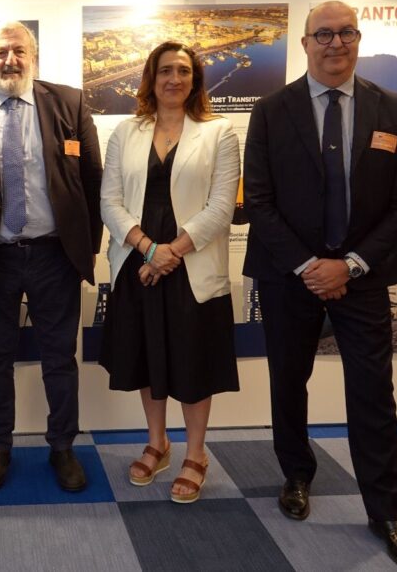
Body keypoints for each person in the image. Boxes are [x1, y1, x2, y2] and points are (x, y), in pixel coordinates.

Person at [243, 1, 397, 571]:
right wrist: (309, 266)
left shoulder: (394, 108)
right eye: (323, 34)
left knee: (373, 392)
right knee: (287, 382)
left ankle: (387, 512)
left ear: (358, 39)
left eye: (346, 32)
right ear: (305, 43)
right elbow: (260, 201)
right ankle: (296, 475)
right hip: (287, 273)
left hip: (363, 276)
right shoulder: (271, 111)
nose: (335, 43)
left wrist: (348, 265)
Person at [0, 20, 102, 492]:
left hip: (55, 256)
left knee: (60, 358)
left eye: (19, 51)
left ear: (33, 56)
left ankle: (62, 446)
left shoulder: (69, 103)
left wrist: (86, 250)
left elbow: (93, 180)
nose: (10, 60)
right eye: (1, 52)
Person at [99, 41, 239, 502]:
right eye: (165, 71)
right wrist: (148, 249)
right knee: (147, 357)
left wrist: (170, 252)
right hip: (138, 263)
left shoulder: (219, 133)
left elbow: (222, 207)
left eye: (183, 71)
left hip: (191, 264)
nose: (174, 79)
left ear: (194, 79)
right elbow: (109, 202)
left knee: (194, 362)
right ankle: (157, 443)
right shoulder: (126, 132)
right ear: (151, 78)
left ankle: (196, 454)